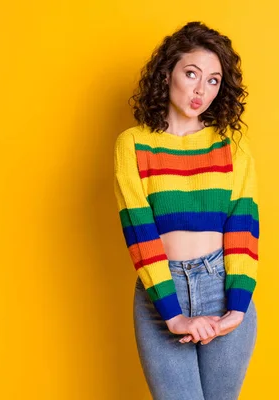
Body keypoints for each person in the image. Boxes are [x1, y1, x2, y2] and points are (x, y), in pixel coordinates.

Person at [112, 21, 260, 400]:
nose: (200, 89)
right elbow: (139, 230)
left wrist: (237, 309)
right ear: (167, 74)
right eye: (191, 73)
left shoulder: (232, 149)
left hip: (223, 288)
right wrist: (174, 315)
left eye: (213, 80)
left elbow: (243, 230)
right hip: (160, 290)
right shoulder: (133, 144)